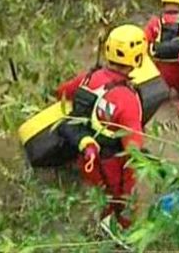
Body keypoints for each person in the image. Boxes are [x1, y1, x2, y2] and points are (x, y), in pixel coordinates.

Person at [55, 24, 146, 229]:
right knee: (124, 213)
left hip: (87, 161)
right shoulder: (128, 99)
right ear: (138, 58)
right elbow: (133, 150)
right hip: (112, 171)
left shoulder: (87, 78)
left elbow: (61, 92)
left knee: (95, 204)